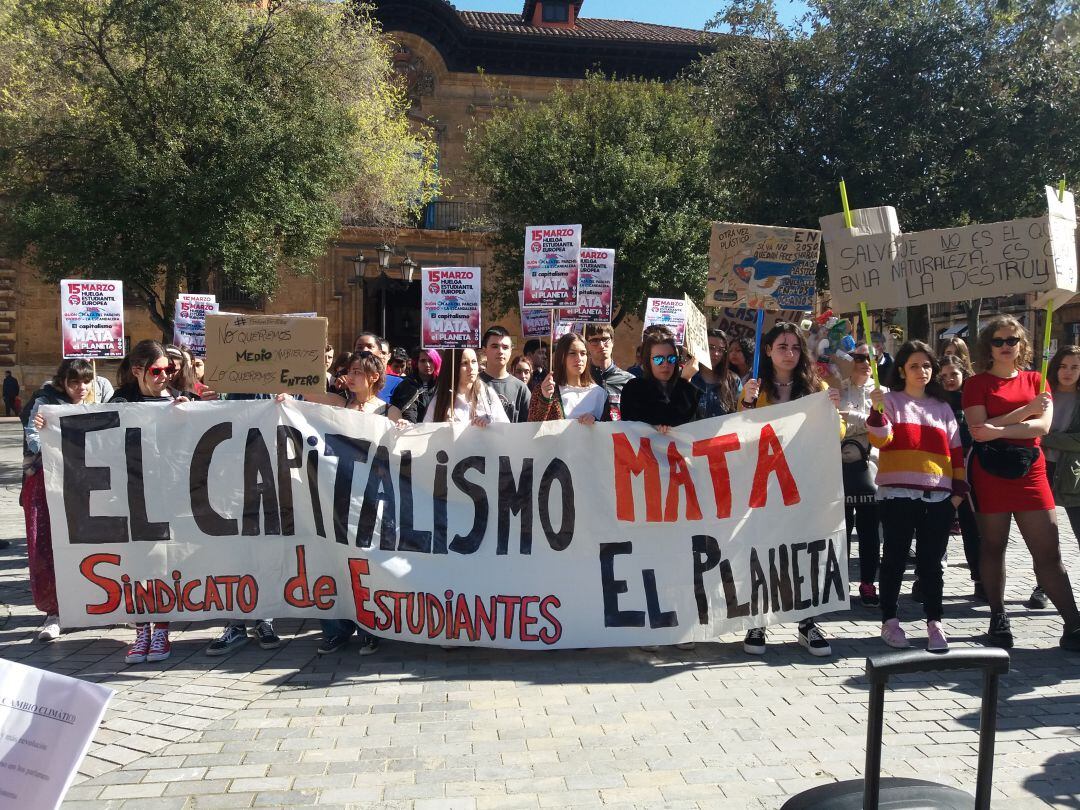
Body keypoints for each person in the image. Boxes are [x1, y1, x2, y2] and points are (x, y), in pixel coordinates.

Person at [962, 316, 1080, 650]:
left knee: (1049, 552)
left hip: (1032, 473)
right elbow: (977, 430)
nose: (1005, 347)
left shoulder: (1036, 378)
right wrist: (1022, 412)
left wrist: (998, 428)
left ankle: (1073, 623)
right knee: (993, 546)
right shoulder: (977, 383)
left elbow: (1041, 428)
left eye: (1011, 340)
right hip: (991, 472)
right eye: (998, 341)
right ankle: (998, 617)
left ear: (1021, 344)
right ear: (988, 346)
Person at [739, 322, 842, 657]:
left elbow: (835, 432)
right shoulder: (755, 388)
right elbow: (737, 432)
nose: (789, 353)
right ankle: (759, 619)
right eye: (782, 346)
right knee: (763, 549)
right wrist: (745, 403)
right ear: (768, 350)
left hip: (804, 484)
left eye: (795, 347)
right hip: (764, 484)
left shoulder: (816, 389)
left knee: (805, 552)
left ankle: (807, 621)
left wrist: (833, 410)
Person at [867, 341, 966, 651]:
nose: (922, 371)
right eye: (914, 365)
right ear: (901, 370)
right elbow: (880, 440)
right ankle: (890, 620)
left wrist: (958, 492)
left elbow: (956, 452)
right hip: (897, 494)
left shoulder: (943, 407)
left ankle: (934, 621)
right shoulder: (890, 401)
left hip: (938, 497)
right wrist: (876, 412)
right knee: (894, 559)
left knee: (931, 564)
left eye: (926, 365)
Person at [109, 340, 190, 663]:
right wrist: (49, 425)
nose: (165, 376)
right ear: (138, 370)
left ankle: (161, 630)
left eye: (169, 370)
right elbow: (82, 429)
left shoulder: (177, 401)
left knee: (162, 565)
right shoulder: (119, 401)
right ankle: (141, 630)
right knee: (136, 565)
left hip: (167, 496)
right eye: (157, 371)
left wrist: (191, 412)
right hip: (130, 495)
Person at [20, 360, 95, 640]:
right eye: (75, 382)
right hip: (46, 482)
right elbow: (34, 440)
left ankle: (97, 603)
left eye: (86, 382)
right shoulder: (45, 402)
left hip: (84, 482)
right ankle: (54, 612)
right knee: (46, 545)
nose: (81, 388)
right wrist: (44, 430)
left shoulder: (97, 399)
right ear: (63, 381)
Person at [838, 343, 881, 607]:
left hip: (872, 470)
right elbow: (835, 420)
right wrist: (866, 422)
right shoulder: (837, 387)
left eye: (873, 358)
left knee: (869, 531)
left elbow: (884, 428)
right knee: (841, 529)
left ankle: (868, 582)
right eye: (860, 357)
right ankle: (839, 581)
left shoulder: (883, 392)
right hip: (838, 467)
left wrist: (855, 420)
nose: (866, 362)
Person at [939, 355, 984, 601]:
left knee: (971, 526)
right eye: (943, 376)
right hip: (940, 468)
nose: (948, 380)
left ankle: (979, 578)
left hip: (967, 467)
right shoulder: (935, 400)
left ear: (963, 374)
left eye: (953, 375)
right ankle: (929, 578)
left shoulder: (971, 399)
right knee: (937, 525)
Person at [529, 333, 610, 424]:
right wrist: (545, 399)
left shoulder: (599, 394)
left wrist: (596, 422)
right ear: (561, 357)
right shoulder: (544, 390)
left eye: (583, 353)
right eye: (572, 353)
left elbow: (608, 432)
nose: (579, 359)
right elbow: (532, 427)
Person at [424, 348, 509, 426]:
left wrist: (490, 421)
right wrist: (444, 429)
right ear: (452, 366)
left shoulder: (488, 394)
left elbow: (505, 429)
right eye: (464, 363)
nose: (471, 368)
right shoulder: (440, 401)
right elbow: (425, 433)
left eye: (473, 361)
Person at [480, 326, 531, 422]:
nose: (500, 351)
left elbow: (530, 425)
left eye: (505, 347)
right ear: (484, 350)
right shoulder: (473, 384)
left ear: (511, 351)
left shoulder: (521, 388)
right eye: (495, 346)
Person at [583, 324, 633, 419]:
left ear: (612, 342)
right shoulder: (580, 379)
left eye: (605, 339)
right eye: (594, 341)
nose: (601, 345)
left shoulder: (629, 381)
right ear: (587, 345)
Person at [690, 329, 741, 419]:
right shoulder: (688, 376)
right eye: (711, 348)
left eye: (721, 350)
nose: (716, 354)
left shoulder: (733, 380)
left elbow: (740, 415)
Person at [392, 348, 441, 423]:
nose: (427, 365)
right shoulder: (407, 384)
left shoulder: (441, 385)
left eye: (430, 360)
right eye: (423, 361)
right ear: (416, 363)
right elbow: (409, 411)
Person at [355, 332, 402, 403]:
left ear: (380, 353)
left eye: (370, 346)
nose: (364, 350)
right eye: (359, 347)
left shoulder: (398, 383)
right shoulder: (345, 380)